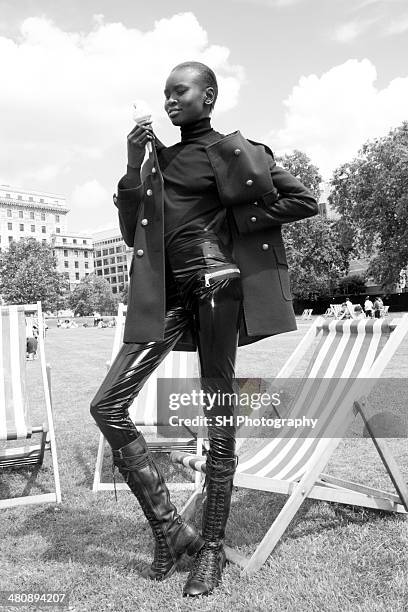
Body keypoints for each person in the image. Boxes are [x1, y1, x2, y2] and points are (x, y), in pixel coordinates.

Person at [90, 61, 318, 597]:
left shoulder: (232, 152)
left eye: (180, 91)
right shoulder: (157, 161)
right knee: (107, 406)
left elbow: (302, 199)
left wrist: (231, 225)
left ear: (207, 96)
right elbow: (131, 232)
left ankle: (211, 549)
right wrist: (132, 162)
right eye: (165, 94)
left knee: (218, 416)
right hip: (166, 296)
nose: (170, 100)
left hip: (216, 285)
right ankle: (171, 527)